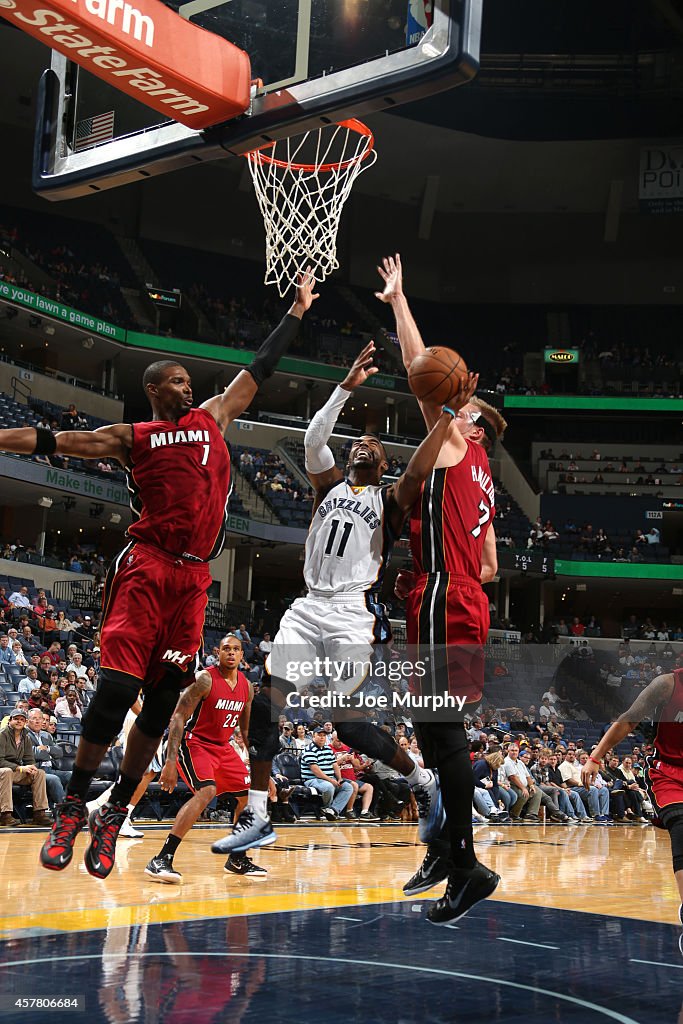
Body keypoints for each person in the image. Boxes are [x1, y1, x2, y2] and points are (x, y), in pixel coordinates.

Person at [0, 272, 318, 878]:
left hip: (194, 582)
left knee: (161, 701)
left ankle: (115, 812)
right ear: (153, 389)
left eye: (189, 380)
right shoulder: (133, 437)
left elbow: (261, 367)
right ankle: (72, 805)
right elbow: (53, 441)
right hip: (147, 567)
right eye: (176, 379)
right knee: (119, 690)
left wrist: (298, 310)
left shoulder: (214, 417)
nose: (188, 384)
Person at [212, 339, 463, 860]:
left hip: (351, 613)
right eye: (358, 443)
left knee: (348, 725)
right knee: (266, 706)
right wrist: (344, 390)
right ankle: (258, 815)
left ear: (383, 462)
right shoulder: (326, 488)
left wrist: (444, 419)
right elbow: (313, 437)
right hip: (307, 608)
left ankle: (421, 780)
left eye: (373, 445)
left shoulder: (388, 501)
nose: (363, 445)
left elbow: (417, 472)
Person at [377, 253, 504, 923]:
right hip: (465, 597)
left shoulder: (454, 435)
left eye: (457, 402)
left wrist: (399, 300)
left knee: (441, 734)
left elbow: (417, 365)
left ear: (467, 414)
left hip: (441, 598)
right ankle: (451, 855)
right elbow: (487, 565)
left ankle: (463, 861)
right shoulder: (481, 468)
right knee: (434, 728)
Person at [146, 634, 255, 882]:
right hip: (193, 742)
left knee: (248, 797)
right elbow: (178, 717)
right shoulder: (204, 679)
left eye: (236, 649)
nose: (230, 653)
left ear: (241, 655)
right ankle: (161, 858)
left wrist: (261, 768)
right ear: (218, 652)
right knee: (206, 792)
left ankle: (237, 858)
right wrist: (171, 761)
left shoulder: (246, 687)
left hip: (223, 747)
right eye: (226, 648)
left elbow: (246, 731)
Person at [582, 670, 682, 918]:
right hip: (669, 772)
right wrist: (595, 757)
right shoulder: (667, 684)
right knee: (682, 825)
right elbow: (629, 720)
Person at [0, 708, 52, 826]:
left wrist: (32, 768)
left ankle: (39, 813)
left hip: (15, 771)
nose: (19, 721)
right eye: (16, 719)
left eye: (21, 719)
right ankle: (5, 814)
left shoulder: (26, 737)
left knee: (39, 773)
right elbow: (0, 761)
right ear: (10, 721)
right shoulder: (2, 735)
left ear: (25, 722)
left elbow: (29, 759)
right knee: (7, 771)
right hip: (3, 770)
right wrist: (20, 768)